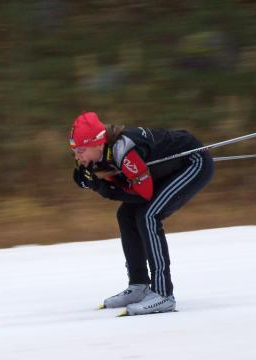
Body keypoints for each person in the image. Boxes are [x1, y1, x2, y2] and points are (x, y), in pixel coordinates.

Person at [69, 112, 214, 316]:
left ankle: (163, 294)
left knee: (148, 216)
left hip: (193, 162)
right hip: (166, 170)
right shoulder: (102, 154)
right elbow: (126, 183)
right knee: (126, 215)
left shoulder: (122, 150)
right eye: (74, 151)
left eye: (81, 150)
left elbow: (143, 194)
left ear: (97, 143)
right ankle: (139, 285)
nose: (77, 156)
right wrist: (95, 182)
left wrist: (99, 186)